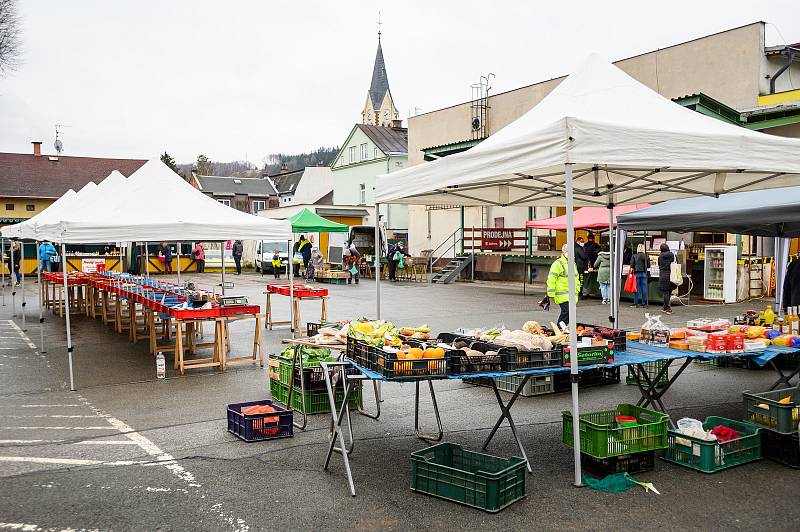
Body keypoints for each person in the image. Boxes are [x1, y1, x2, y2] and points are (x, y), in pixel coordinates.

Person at [547, 244, 582, 326]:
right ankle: (559, 328)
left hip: (572, 294)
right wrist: (550, 293)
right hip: (562, 293)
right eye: (566, 250)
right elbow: (551, 278)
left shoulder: (572, 263)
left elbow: (576, 278)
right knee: (567, 311)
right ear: (563, 251)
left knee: (570, 313)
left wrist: (577, 289)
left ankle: (562, 328)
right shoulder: (558, 263)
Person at [629, 243, 651, 308]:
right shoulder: (646, 256)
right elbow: (648, 266)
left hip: (636, 273)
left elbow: (632, 265)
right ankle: (643, 303)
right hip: (644, 273)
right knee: (644, 288)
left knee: (636, 288)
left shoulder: (634, 256)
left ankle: (635, 303)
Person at [658, 243, 676, 314]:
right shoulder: (672, 255)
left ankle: (667, 308)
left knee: (665, 292)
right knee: (669, 291)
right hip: (671, 275)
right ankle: (665, 307)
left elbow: (659, 265)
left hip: (663, 275)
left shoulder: (660, 256)